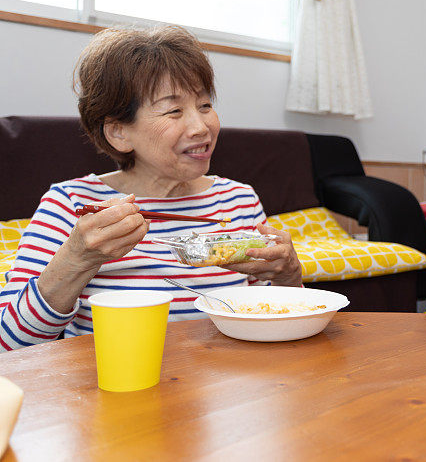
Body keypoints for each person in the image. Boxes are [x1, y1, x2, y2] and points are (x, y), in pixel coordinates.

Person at [0, 25, 302, 351]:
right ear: (119, 132)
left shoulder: (238, 200)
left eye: (204, 105)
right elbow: (9, 344)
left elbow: (271, 318)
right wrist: (77, 258)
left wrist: (288, 277)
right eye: (174, 110)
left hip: (224, 390)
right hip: (114, 387)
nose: (202, 127)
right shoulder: (72, 204)